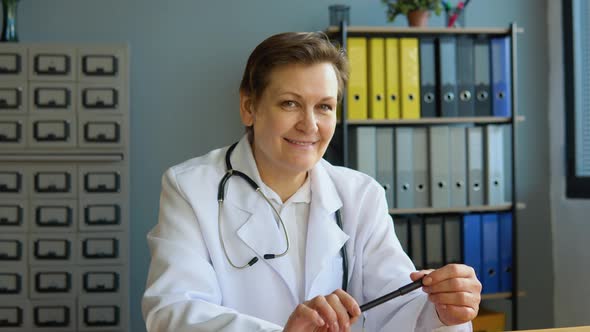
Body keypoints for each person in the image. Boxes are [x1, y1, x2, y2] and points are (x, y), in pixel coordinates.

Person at [142, 31, 481, 332]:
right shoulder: (190, 188)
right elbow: (173, 312)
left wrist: (441, 311)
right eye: (290, 103)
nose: (310, 124)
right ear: (249, 107)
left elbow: (397, 311)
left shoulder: (360, 195)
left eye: (324, 106)